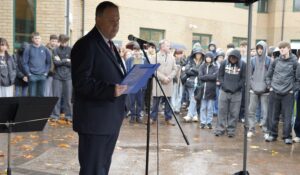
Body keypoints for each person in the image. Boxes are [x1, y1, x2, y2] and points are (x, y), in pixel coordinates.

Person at [71, 1, 127, 175]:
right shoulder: (86, 45)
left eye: (118, 19)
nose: (116, 24)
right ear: (98, 20)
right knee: (92, 170)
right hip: (94, 122)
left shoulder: (109, 45)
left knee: (102, 168)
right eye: (111, 19)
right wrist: (110, 90)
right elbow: (81, 83)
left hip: (110, 119)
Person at [265, 41, 300, 144]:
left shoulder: (295, 62)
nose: (282, 50)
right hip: (274, 92)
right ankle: (272, 134)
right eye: (280, 48)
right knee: (273, 115)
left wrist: (292, 90)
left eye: (284, 48)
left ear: (288, 49)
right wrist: (269, 86)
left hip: (288, 94)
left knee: (287, 116)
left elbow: (298, 79)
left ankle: (287, 136)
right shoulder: (275, 61)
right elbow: (268, 76)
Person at [215, 49, 246, 137]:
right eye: (231, 57)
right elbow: (220, 75)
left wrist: (237, 87)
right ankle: (220, 129)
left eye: (234, 58)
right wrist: (223, 85)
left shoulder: (243, 65)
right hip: (224, 91)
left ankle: (231, 130)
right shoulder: (224, 63)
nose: (232, 59)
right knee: (221, 111)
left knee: (234, 113)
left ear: (238, 58)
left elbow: (244, 78)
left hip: (236, 93)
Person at [149, 39, 177, 126]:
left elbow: (175, 69)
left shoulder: (172, 57)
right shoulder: (155, 57)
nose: (169, 47)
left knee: (168, 102)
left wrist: (169, 77)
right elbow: (153, 69)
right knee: (156, 102)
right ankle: (153, 118)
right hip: (158, 82)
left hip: (168, 82)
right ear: (162, 46)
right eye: (168, 45)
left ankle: (168, 118)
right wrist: (162, 77)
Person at [247, 41, 271, 138]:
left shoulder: (269, 60)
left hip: (265, 91)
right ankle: (251, 129)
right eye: (258, 48)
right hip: (254, 90)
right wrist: (252, 86)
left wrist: (267, 86)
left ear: (264, 49)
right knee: (251, 110)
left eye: (261, 48)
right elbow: (249, 75)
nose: (260, 50)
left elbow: (270, 75)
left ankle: (265, 130)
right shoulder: (252, 60)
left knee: (265, 111)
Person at [50, 34, 72, 122]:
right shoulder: (55, 50)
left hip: (68, 77)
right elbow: (56, 63)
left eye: (66, 42)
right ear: (59, 41)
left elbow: (72, 63)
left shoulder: (71, 50)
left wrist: (61, 61)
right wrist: (66, 60)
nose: (64, 44)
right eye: (62, 42)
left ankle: (69, 115)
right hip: (57, 77)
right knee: (56, 97)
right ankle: (55, 115)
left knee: (68, 98)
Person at [22, 32, 51, 97]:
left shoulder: (45, 49)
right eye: (35, 38)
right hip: (32, 75)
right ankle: (32, 107)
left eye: (39, 38)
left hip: (42, 75)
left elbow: (48, 63)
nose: (37, 40)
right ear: (32, 39)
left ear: (40, 39)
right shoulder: (28, 48)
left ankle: (40, 107)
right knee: (32, 95)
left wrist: (46, 73)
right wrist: (29, 74)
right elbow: (24, 63)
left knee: (41, 95)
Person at [198, 52, 218, 129]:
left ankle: (209, 122)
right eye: (207, 57)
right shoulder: (202, 66)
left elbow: (215, 76)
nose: (208, 58)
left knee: (210, 107)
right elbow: (200, 76)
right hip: (203, 90)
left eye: (210, 57)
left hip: (211, 90)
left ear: (212, 58)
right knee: (203, 107)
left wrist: (205, 77)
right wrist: (209, 77)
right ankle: (203, 122)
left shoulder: (215, 67)